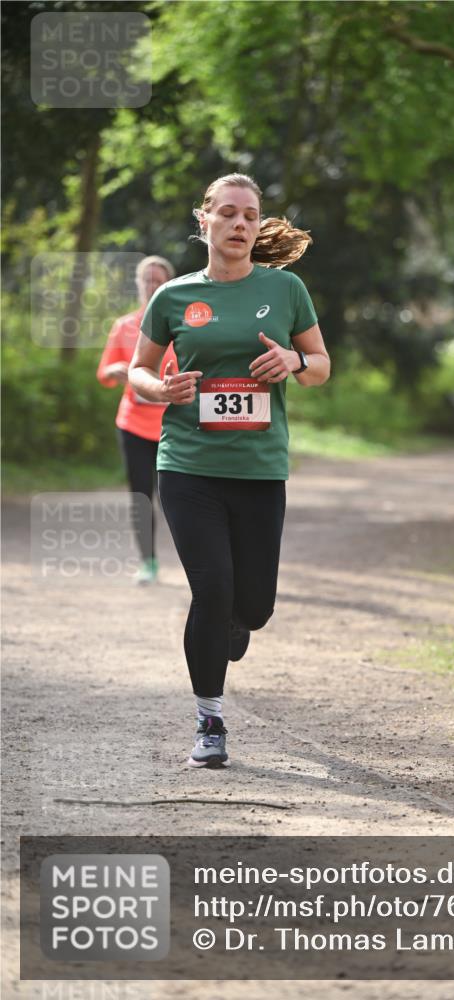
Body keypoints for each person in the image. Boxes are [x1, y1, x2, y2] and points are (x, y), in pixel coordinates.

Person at [128, 173, 330, 768]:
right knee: (211, 588)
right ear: (205, 221)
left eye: (250, 215)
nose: (239, 224)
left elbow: (320, 366)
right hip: (189, 466)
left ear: (257, 225)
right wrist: (162, 388)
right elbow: (137, 372)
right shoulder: (173, 298)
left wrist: (293, 359)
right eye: (228, 214)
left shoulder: (287, 289)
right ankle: (210, 720)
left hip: (260, 469)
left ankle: (235, 624)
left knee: (255, 606)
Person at [97, 256, 178, 584]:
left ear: (169, 284)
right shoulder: (125, 325)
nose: (152, 285)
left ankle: (196, 563)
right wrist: (115, 371)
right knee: (141, 497)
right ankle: (148, 562)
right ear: (139, 284)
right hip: (132, 423)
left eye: (158, 279)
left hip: (174, 424)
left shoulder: (182, 323)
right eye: (147, 280)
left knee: (178, 498)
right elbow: (104, 371)